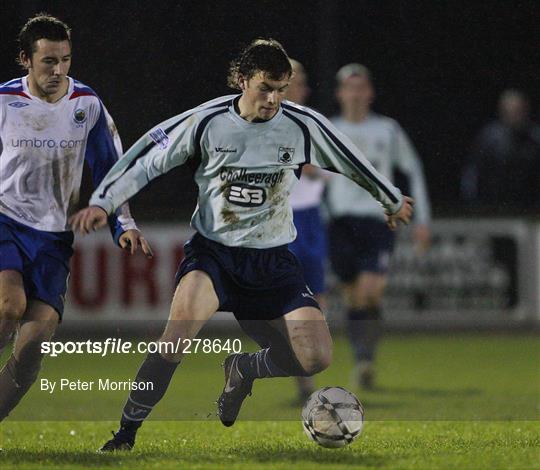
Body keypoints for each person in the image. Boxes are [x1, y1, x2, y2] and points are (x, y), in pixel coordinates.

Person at [70, 39, 413, 452]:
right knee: (174, 339)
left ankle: (243, 369)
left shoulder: (301, 124)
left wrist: (389, 199)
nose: (273, 99)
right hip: (214, 255)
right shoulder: (206, 121)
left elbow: (347, 157)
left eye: (281, 89)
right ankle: (125, 434)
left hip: (273, 261)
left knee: (315, 357)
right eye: (265, 87)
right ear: (242, 80)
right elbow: (146, 159)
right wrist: (103, 202)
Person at [0, 13, 151, 422]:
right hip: (6, 223)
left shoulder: (87, 105)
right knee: (8, 305)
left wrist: (125, 225)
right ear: (24, 60)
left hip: (54, 238)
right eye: (48, 61)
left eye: (65, 59)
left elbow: (110, 170)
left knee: (32, 347)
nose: (58, 70)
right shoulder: (3, 102)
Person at [326, 63, 431, 389]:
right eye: (349, 88)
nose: (355, 94)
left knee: (371, 293)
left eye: (361, 88)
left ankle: (365, 360)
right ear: (339, 93)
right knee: (354, 297)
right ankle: (363, 356)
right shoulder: (328, 129)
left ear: (369, 93)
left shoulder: (388, 130)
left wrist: (422, 219)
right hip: (339, 223)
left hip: (377, 221)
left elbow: (413, 169)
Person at [286, 59, 328, 403]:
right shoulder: (265, 120)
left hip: (311, 219)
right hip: (280, 220)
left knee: (318, 300)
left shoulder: (312, 122)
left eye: (298, 80)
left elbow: (327, 168)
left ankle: (306, 367)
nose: (293, 86)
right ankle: (301, 374)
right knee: (288, 301)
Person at [461, 89, 540, 210]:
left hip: (528, 204)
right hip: (493, 204)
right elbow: (472, 171)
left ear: (525, 110)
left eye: (517, 111)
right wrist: (471, 201)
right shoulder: (489, 138)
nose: (513, 116)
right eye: (508, 112)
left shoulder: (535, 137)